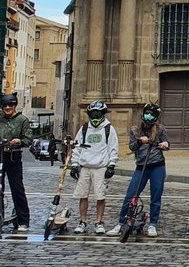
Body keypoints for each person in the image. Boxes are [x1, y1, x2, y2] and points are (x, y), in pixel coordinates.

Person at [108, 103, 170, 238]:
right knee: (130, 195)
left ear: (156, 117)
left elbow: (166, 143)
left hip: (157, 166)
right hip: (141, 166)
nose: (148, 116)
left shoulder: (160, 129)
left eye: (151, 114)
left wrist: (165, 145)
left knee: (156, 196)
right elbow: (131, 147)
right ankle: (120, 222)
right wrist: (139, 142)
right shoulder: (135, 130)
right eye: (147, 113)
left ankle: (153, 224)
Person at [71, 100, 119, 235]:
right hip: (85, 166)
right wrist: (74, 165)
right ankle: (82, 221)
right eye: (93, 114)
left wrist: (111, 165)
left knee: (100, 196)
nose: (96, 116)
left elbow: (113, 148)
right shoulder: (85, 128)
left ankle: (99, 222)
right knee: (83, 195)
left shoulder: (108, 129)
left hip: (101, 166)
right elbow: (77, 147)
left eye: (98, 113)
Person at [0, 93, 32, 232]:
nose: (8, 107)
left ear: (15, 105)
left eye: (10, 104)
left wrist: (19, 141)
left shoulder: (22, 120)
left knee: (17, 189)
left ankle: (23, 220)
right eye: (5, 105)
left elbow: (29, 139)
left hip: (13, 156)